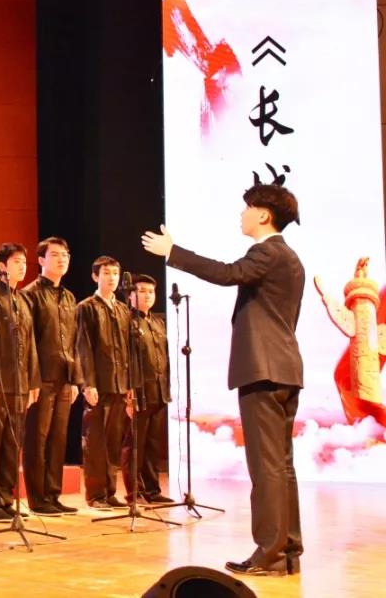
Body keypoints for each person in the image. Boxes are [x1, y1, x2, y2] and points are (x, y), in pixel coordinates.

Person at [142, 183, 304, 577]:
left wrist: (174, 253)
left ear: (264, 214)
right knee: (282, 466)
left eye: (247, 208)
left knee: (267, 468)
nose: (242, 214)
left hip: (263, 370)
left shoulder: (267, 251)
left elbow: (228, 273)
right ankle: (287, 550)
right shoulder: (290, 257)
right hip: (284, 369)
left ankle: (269, 554)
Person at [0, 243, 40, 522]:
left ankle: (6, 498)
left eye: (24, 262)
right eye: (16, 262)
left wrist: (33, 381)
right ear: (1, 266)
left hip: (20, 384)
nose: (22, 266)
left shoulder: (24, 300)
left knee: (13, 445)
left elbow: (31, 343)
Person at [21, 237, 81, 516]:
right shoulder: (30, 294)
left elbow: (74, 340)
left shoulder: (69, 297)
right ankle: (37, 498)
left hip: (64, 378)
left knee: (58, 438)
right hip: (41, 378)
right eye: (55, 255)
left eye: (65, 255)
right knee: (38, 438)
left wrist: (76, 379)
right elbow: (28, 341)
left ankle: (53, 494)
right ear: (41, 260)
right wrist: (32, 380)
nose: (61, 259)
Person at [76, 256, 133, 511]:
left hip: (119, 383)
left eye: (115, 273)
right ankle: (95, 494)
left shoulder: (122, 309)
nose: (112, 278)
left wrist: (129, 384)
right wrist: (88, 383)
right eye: (106, 273)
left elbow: (127, 349)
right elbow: (83, 347)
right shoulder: (86, 307)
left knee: (113, 441)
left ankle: (110, 491)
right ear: (95, 276)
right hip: (98, 385)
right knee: (95, 441)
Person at [120, 274, 174, 505]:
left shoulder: (158, 323)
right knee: (135, 444)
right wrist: (128, 389)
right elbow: (125, 358)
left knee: (153, 444)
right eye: (142, 291)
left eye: (151, 291)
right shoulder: (127, 322)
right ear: (131, 294)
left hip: (158, 391)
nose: (148, 295)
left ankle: (152, 489)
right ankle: (134, 491)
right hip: (139, 392)